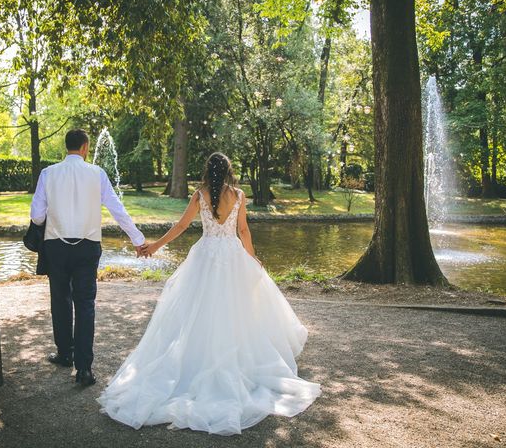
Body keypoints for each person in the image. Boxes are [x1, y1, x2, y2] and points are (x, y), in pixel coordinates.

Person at [98, 152, 321, 435]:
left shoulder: (199, 195)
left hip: (204, 257)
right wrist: (252, 259)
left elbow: (181, 226)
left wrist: (154, 246)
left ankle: (194, 363)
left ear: (207, 171)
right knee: (235, 311)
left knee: (197, 311)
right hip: (232, 255)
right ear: (228, 171)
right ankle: (235, 364)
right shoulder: (239, 195)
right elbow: (243, 230)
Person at [30, 129, 146, 386]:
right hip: (87, 246)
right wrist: (138, 240)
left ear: (67, 147)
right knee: (85, 305)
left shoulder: (48, 174)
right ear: (85, 147)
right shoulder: (98, 174)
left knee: (60, 299)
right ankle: (84, 369)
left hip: (56, 247)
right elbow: (118, 209)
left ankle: (64, 353)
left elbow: (37, 216)